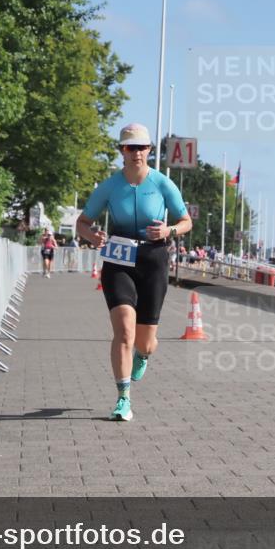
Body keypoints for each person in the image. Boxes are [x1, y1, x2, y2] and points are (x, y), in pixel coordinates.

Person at [75, 123, 191, 422]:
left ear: (150, 150)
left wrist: (170, 230)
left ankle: (143, 355)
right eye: (130, 147)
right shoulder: (110, 186)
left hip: (153, 259)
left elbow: (186, 220)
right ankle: (123, 398)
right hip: (119, 258)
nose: (136, 152)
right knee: (124, 329)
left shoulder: (163, 183)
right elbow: (82, 222)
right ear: (121, 151)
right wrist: (93, 236)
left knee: (145, 342)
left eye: (141, 147)